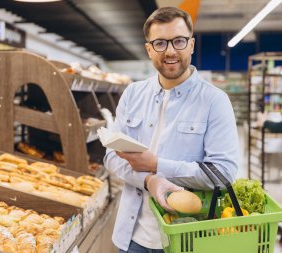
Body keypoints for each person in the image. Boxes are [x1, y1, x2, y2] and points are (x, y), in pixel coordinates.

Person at [103, 7, 238, 253]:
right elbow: (112, 156)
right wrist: (149, 180)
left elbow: (224, 173)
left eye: (179, 41)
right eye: (160, 43)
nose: (171, 51)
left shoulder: (214, 101)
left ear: (192, 45)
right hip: (131, 238)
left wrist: (156, 164)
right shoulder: (132, 94)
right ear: (149, 49)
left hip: (187, 240)